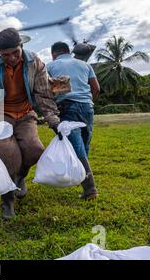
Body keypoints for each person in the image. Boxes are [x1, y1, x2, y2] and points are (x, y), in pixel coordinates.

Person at [0, 27, 61, 220]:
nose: (12, 58)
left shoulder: (35, 63)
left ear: (21, 46)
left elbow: (43, 93)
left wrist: (53, 119)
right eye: (6, 55)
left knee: (34, 150)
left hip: (25, 113)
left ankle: (20, 178)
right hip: (1, 114)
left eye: (15, 52)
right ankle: (7, 201)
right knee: (9, 157)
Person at [47, 41, 100, 200]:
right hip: (87, 107)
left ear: (54, 53)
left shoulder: (51, 66)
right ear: (68, 51)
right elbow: (96, 89)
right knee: (84, 144)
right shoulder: (85, 65)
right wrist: (87, 101)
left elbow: (50, 91)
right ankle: (81, 174)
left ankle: (90, 188)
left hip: (67, 107)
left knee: (76, 148)